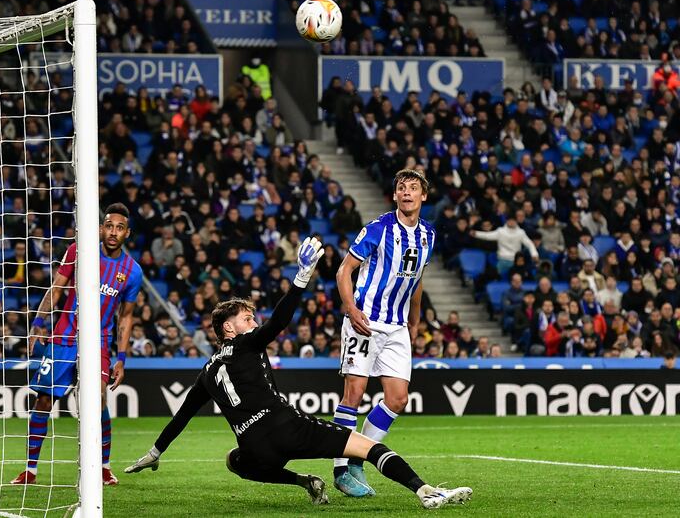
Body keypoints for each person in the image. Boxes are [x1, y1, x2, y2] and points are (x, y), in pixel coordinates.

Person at [124, 237, 471, 509]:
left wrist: (155, 452)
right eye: (246, 319)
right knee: (369, 449)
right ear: (228, 330)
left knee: (234, 461)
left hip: (255, 448)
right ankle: (425, 491)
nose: (253, 322)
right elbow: (279, 321)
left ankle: (304, 481)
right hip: (287, 428)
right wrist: (302, 277)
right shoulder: (247, 343)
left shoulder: (206, 371)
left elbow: (183, 415)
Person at [10, 203, 143, 486]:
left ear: (127, 234)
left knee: (98, 401)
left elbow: (126, 317)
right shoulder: (78, 252)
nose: (113, 232)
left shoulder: (132, 272)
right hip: (63, 338)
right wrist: (38, 322)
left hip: (99, 345)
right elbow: (56, 289)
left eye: (119, 228)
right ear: (100, 228)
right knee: (43, 400)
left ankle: (104, 468)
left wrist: (121, 357)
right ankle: (30, 471)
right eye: (109, 225)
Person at [331, 169, 436, 497]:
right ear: (394, 196)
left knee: (398, 398)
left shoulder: (428, 235)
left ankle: (361, 456)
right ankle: (340, 469)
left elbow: (416, 282)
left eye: (413, 188)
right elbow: (343, 271)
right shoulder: (378, 228)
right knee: (354, 394)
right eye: (402, 188)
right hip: (365, 321)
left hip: (397, 327)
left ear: (423, 197)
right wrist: (351, 309)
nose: (407, 193)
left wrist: (415, 323)